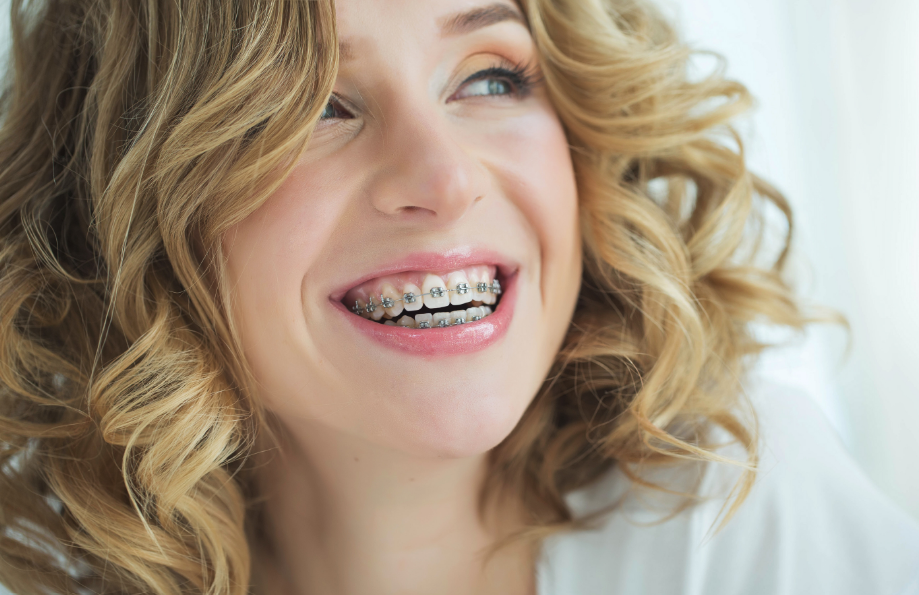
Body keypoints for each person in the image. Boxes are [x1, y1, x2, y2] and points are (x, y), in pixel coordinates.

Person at [0, 0, 916, 593]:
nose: (442, 179)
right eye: (317, 104)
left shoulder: (736, 518)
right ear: (126, 203)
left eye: (490, 77)